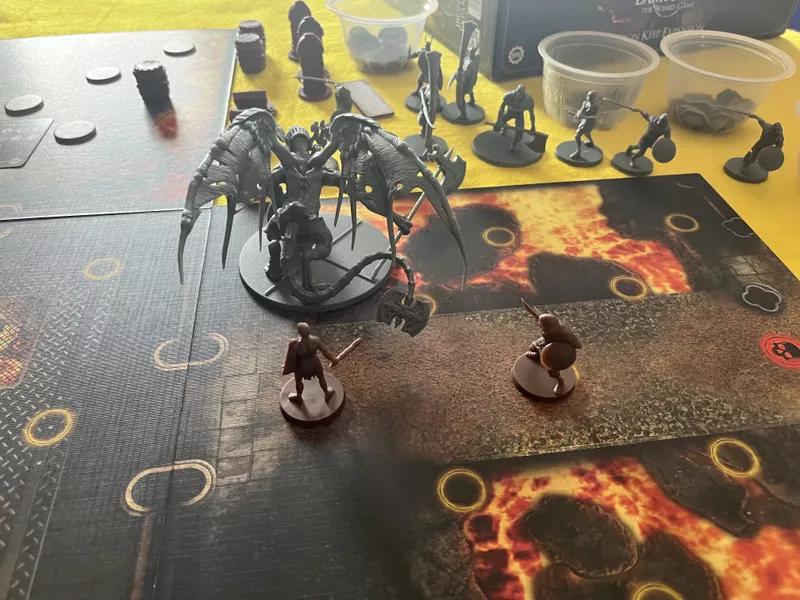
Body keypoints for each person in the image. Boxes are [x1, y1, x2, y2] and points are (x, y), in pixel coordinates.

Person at [282, 322, 338, 403]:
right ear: (309, 330)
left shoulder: (296, 345)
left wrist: (288, 365)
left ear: (299, 332)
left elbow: (291, 358)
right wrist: (332, 359)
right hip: (315, 364)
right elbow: (325, 352)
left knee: (298, 381)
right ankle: (327, 393)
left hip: (301, 366)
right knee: (321, 377)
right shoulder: (315, 340)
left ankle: (299, 396)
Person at [494, 85, 535, 151]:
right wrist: (499, 121)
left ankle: (514, 144)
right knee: (496, 128)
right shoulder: (509, 96)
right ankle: (505, 126)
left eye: (520, 93)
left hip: (519, 114)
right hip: (509, 111)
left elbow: (531, 114)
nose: (518, 94)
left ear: (524, 94)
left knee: (519, 136)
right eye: (517, 92)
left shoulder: (528, 100)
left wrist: (533, 126)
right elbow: (501, 108)